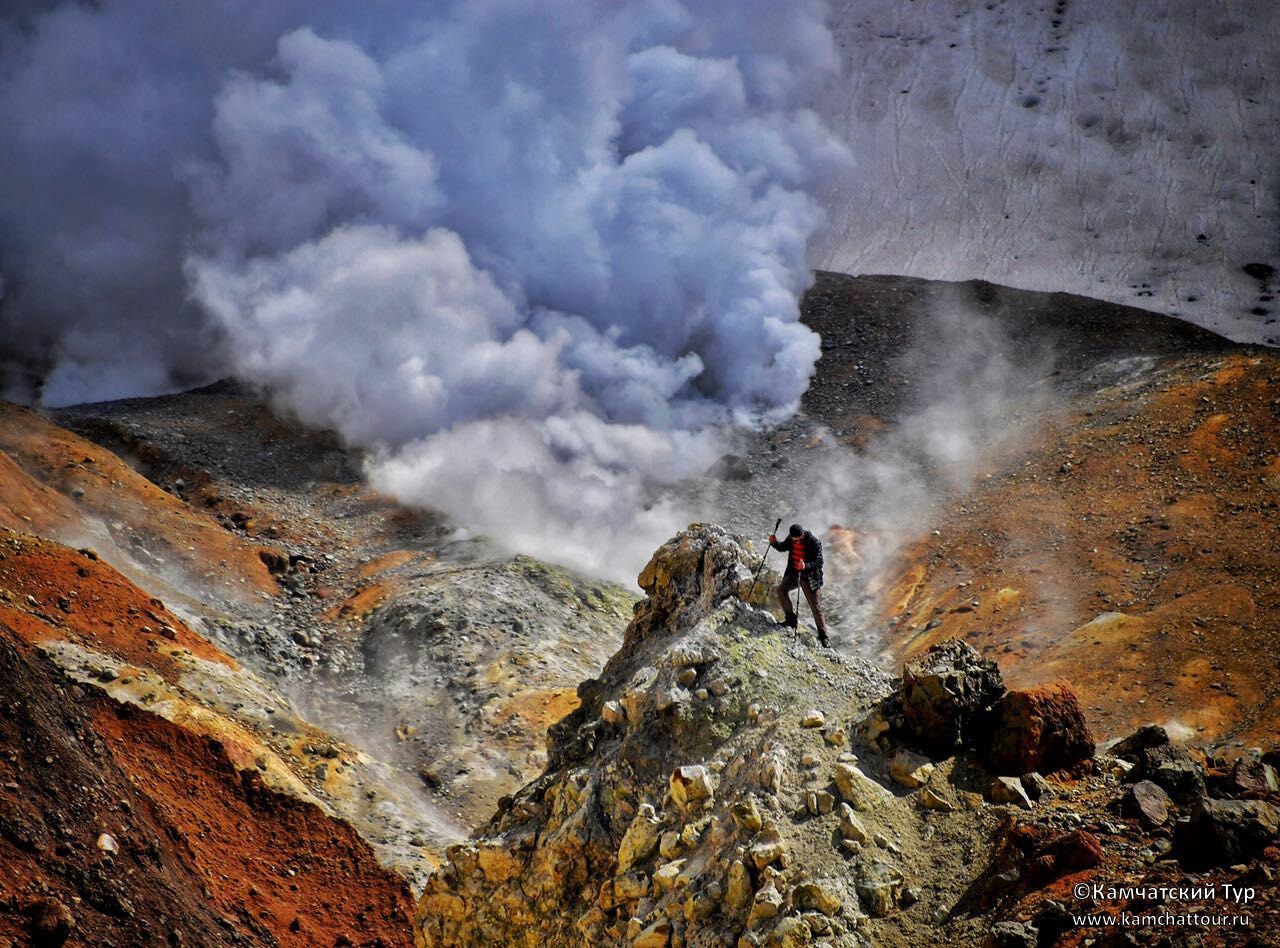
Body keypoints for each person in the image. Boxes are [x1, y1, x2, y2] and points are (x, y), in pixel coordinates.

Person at [769, 523, 829, 647]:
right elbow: (782, 547)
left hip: (810, 577)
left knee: (815, 606)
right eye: (794, 539)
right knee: (781, 590)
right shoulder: (790, 539)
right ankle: (791, 620)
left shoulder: (814, 542)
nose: (796, 541)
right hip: (794, 574)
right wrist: (774, 543)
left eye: (798, 539)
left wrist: (805, 566)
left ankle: (824, 637)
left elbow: (819, 562)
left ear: (802, 535)